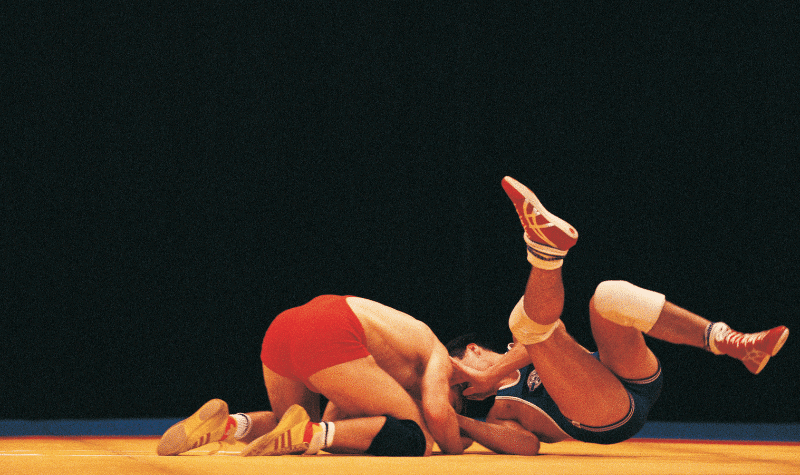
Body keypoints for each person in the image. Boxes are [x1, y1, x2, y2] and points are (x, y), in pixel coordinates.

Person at [447, 176, 789, 455]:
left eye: (460, 376)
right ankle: (544, 254)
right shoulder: (501, 408)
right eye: (461, 391)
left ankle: (731, 341)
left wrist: (492, 373)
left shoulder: (515, 353)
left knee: (608, 296)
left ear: (474, 349)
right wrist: (458, 420)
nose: (466, 389)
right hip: (606, 417)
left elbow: (543, 336)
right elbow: (526, 445)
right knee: (525, 323)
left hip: (629, 375)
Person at [157, 295, 467, 457]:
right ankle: (305, 434)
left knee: (292, 425)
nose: (453, 408)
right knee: (419, 439)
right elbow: (438, 416)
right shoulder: (438, 354)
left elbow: (339, 422)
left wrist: (320, 430)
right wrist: (461, 432)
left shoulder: (386, 372)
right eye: (459, 403)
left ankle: (228, 425)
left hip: (284, 328)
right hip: (332, 327)